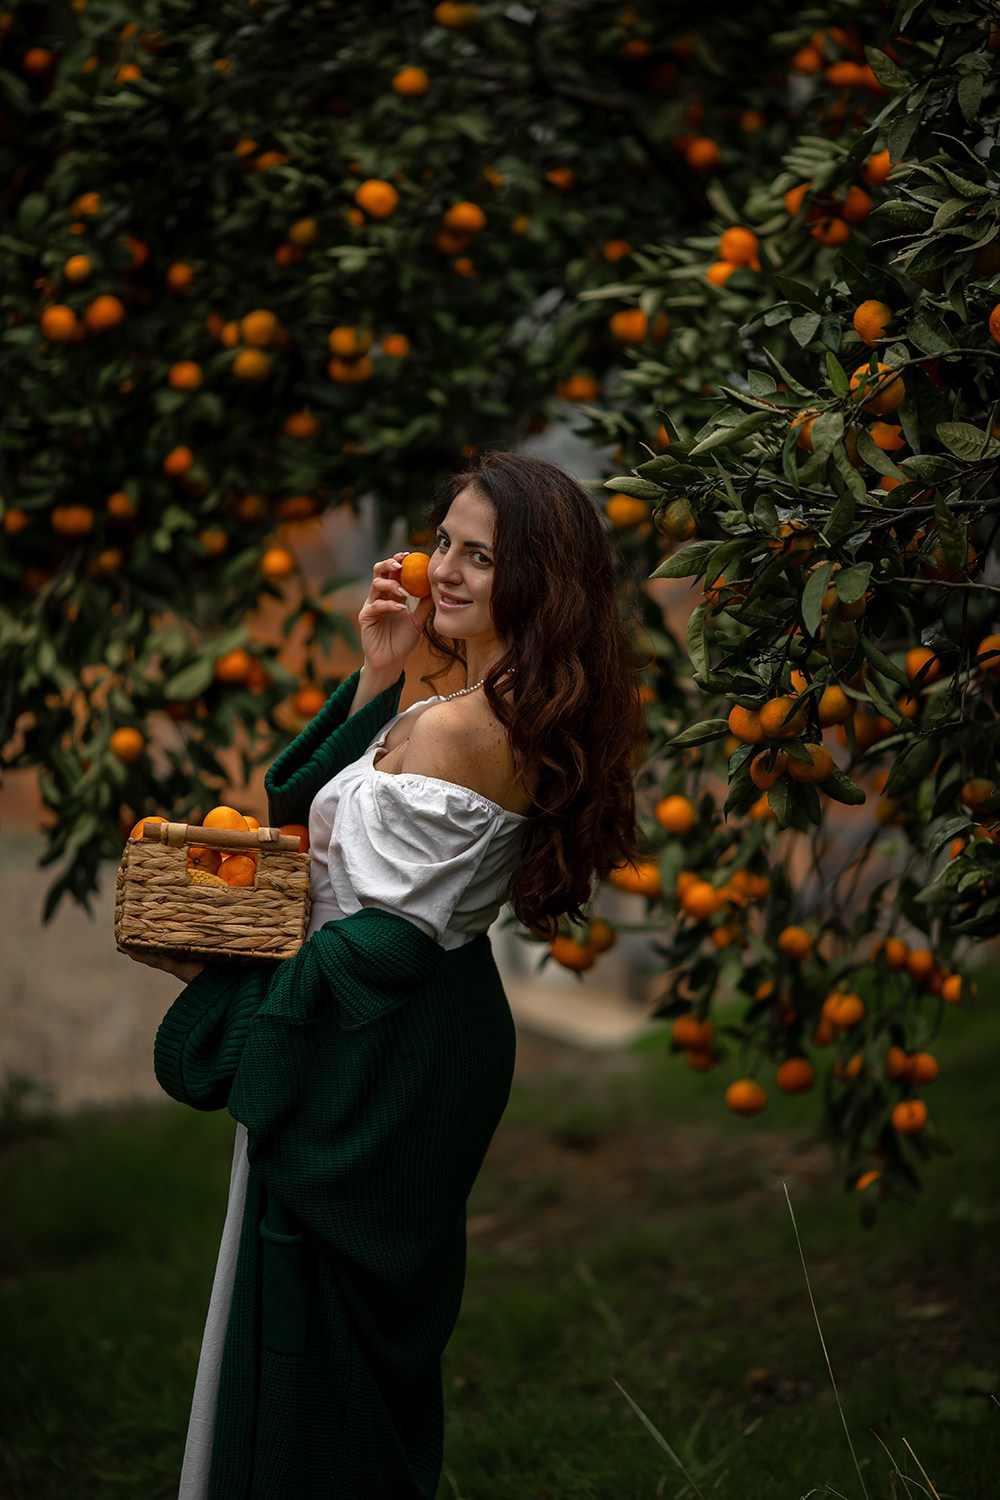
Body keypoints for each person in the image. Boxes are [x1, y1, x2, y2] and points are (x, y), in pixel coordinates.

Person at [132, 450, 645, 1499]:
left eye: (479, 557)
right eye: (443, 541)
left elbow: (383, 938)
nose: (442, 569)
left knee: (316, 1334)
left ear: (538, 581)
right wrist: (377, 673)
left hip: (376, 1038)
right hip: (404, 1027)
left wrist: (236, 1018)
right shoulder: (477, 697)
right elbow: (304, 810)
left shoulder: (468, 725)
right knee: (343, 1334)